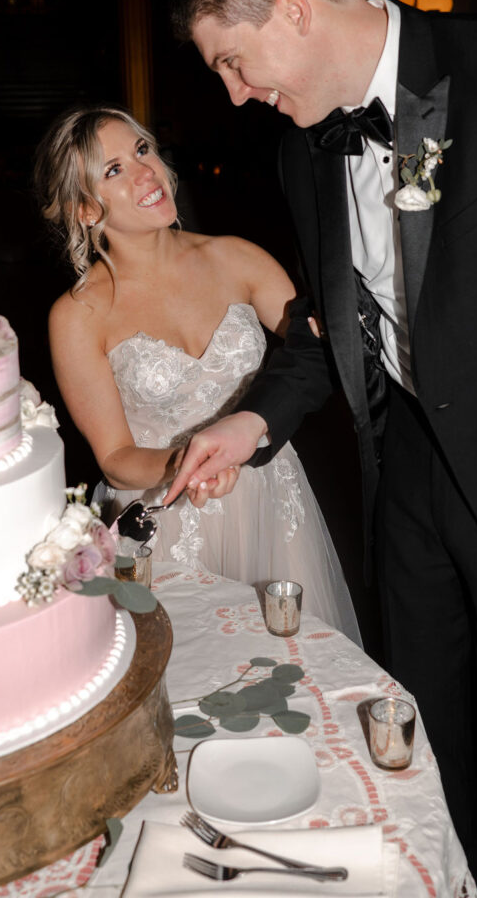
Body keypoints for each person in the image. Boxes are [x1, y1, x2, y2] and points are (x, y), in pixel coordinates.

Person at [165, 0, 477, 898]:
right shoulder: (303, 145)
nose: (235, 96)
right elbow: (334, 326)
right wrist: (253, 417)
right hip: (405, 484)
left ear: (292, 10)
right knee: (423, 742)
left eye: (235, 61)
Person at [34, 104, 361, 645]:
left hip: (269, 499)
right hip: (163, 520)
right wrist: (193, 463)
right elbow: (115, 459)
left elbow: (326, 352)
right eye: (113, 170)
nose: (146, 173)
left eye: (143, 151)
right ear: (86, 209)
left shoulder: (239, 259)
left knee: (292, 666)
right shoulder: (77, 315)